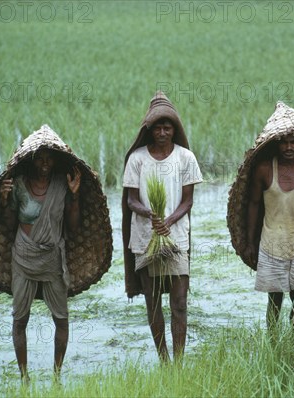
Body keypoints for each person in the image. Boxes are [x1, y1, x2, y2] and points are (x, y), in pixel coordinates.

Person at [122, 92, 202, 362]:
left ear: (174, 130)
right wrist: (150, 213)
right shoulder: (137, 159)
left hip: (176, 238)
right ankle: (164, 360)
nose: (163, 132)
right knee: (153, 301)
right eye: (158, 127)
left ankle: (178, 362)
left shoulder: (185, 158)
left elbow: (188, 201)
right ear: (150, 130)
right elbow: (131, 200)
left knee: (179, 302)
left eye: (168, 127)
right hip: (145, 238)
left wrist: (168, 221)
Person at [0, 148, 81, 382]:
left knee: (61, 319)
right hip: (23, 257)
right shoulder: (19, 186)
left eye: (49, 158)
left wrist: (74, 196)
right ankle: (24, 376)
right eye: (40, 159)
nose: (45, 163)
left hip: (52, 259)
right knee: (20, 320)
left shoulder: (62, 185)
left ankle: (57, 374)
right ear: (32, 161)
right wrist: (5, 201)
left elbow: (73, 228)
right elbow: (8, 226)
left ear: (55, 161)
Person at [245, 132, 294, 336]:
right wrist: (251, 242)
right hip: (272, 243)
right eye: (284, 143)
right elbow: (253, 204)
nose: (289, 147)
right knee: (274, 300)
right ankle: (274, 344)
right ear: (276, 145)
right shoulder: (264, 170)